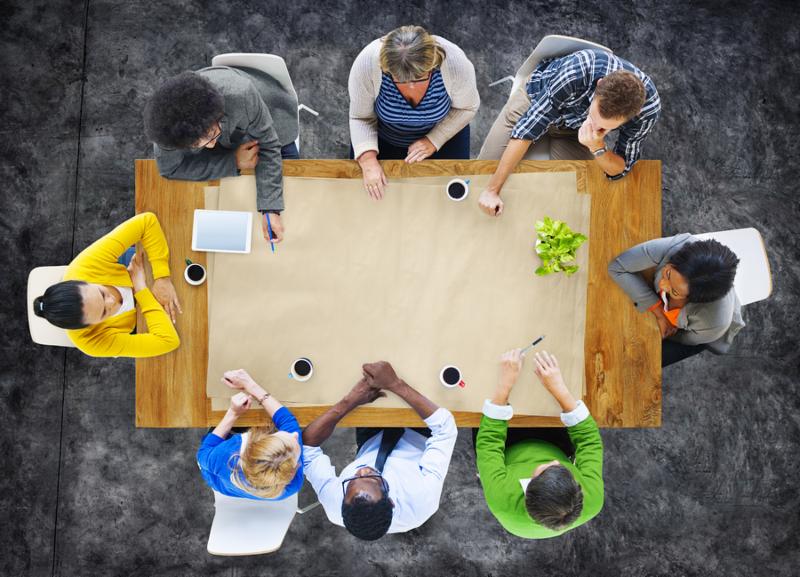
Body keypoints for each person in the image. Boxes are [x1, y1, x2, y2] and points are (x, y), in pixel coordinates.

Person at [477, 48, 660, 216]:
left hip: (573, 129)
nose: (595, 128)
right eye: (594, 117)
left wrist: (597, 147)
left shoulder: (647, 111)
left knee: (574, 204)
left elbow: (620, 169)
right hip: (535, 101)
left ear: (634, 114)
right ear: (599, 85)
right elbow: (527, 130)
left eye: (604, 128)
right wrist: (492, 190)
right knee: (481, 176)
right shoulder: (577, 70)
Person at [302, 361, 457, 540]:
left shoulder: (335, 503)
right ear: (390, 501)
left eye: (352, 480)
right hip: (420, 430)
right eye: (374, 480)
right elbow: (445, 429)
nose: (362, 471)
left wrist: (350, 400)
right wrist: (394, 384)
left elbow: (307, 446)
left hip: (371, 438)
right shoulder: (422, 499)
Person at [144, 66, 299, 243]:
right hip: (231, 134)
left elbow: (270, 145)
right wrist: (233, 162)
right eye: (196, 144)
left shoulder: (241, 94)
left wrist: (271, 209)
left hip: (270, 115)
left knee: (294, 192)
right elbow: (169, 169)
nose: (209, 147)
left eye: (210, 136)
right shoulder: (168, 129)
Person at [475, 349, 604, 538]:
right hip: (555, 444)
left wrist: (505, 386)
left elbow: (488, 444)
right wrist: (559, 389)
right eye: (563, 469)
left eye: (544, 470)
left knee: (480, 396)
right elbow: (589, 442)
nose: (554, 462)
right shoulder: (592, 499)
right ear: (577, 490)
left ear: (527, 488)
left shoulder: (501, 499)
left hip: (505, 450)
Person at [349, 25, 480, 199]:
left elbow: (467, 107)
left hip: (444, 135)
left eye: (418, 78)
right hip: (383, 138)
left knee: (448, 201)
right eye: (400, 79)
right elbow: (360, 117)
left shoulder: (455, 62)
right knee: (371, 199)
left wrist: (434, 140)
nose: (410, 86)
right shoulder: (367, 63)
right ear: (385, 67)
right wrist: (367, 160)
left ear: (433, 65)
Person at [32, 212, 181, 358]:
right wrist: (140, 289)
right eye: (104, 312)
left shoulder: (84, 266)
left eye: (102, 294)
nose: (113, 301)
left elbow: (147, 222)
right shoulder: (90, 342)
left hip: (135, 268)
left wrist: (162, 277)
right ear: (89, 326)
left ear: (85, 281)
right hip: (141, 313)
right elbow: (167, 341)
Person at [608, 234, 743, 366]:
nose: (662, 285)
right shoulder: (678, 246)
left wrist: (666, 333)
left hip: (696, 334)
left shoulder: (713, 323)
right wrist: (660, 313)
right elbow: (617, 268)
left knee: (642, 361)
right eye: (667, 273)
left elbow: (686, 339)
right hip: (680, 312)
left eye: (675, 291)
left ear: (693, 299)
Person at [197, 369, 304, 500]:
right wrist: (251, 386)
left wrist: (233, 412)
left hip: (218, 480)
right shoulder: (291, 484)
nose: (295, 435)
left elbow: (203, 453)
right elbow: (288, 422)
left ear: (257, 442)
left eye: (279, 435)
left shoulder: (225, 455)